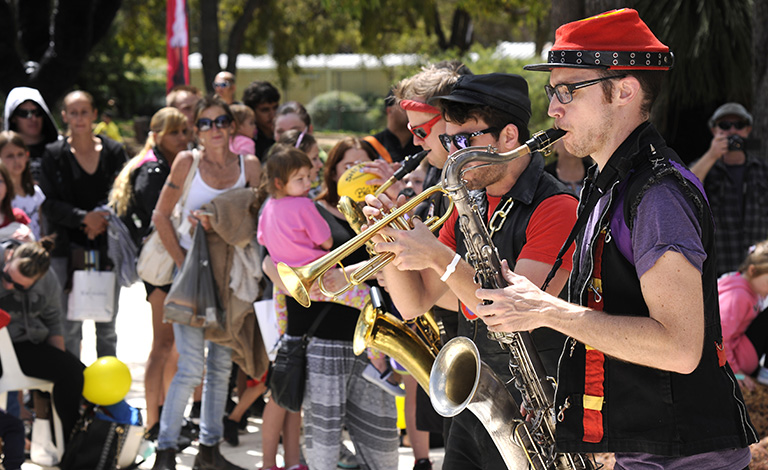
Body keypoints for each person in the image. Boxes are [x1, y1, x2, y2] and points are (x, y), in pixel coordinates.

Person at [472, 8, 757, 468]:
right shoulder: (609, 183)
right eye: (551, 91)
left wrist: (548, 310)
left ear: (624, 90)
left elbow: (681, 348)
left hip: (681, 457)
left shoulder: (659, 194)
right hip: (642, 452)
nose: (551, 109)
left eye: (567, 90)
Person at [363, 73, 578, 470]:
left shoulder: (557, 207)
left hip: (533, 414)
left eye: (465, 141)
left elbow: (511, 313)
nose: (454, 155)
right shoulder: (466, 202)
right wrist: (386, 241)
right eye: (448, 141)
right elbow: (414, 303)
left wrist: (437, 257)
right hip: (474, 406)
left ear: (509, 137)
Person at [262, 137, 401, 470]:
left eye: (362, 164)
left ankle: (381, 367)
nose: (354, 171)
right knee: (323, 450)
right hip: (322, 341)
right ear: (332, 171)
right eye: (347, 165)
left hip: (372, 340)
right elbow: (269, 262)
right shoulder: (310, 207)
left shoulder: (386, 211)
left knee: (382, 450)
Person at [151, 96, 260, 470]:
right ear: (196, 130)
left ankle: (209, 452)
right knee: (191, 366)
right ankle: (165, 451)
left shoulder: (250, 165)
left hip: (232, 279)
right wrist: (183, 266)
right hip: (193, 277)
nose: (214, 128)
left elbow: (258, 219)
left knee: (221, 367)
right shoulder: (187, 163)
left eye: (221, 121)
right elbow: (160, 216)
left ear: (231, 126)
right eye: (206, 123)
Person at [108, 107, 189, 440]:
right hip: (162, 267)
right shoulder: (154, 171)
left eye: (185, 131)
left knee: (170, 345)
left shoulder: (159, 166)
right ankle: (155, 421)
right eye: (175, 132)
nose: (182, 138)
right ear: (156, 135)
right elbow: (163, 220)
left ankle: (162, 417)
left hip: (166, 265)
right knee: (163, 345)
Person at [39, 90, 128, 359]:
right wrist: (82, 218)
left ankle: (107, 398)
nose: (79, 118)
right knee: (69, 328)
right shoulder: (53, 154)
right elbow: (49, 203)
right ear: (64, 116)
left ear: (94, 115)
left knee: (107, 327)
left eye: (84, 112)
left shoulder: (114, 151)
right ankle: (74, 394)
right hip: (66, 253)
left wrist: (99, 219)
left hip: (107, 247)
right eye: (73, 113)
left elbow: (124, 193)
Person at [0, 238, 85, 446]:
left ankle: (68, 447)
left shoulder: (47, 279)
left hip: (28, 344)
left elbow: (53, 320)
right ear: (9, 257)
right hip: (2, 345)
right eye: (7, 277)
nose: (10, 286)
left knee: (75, 374)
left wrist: (59, 359)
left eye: (20, 287)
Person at [690, 103, 768, 276]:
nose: (732, 131)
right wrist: (712, 155)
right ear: (713, 131)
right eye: (725, 126)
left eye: (739, 126)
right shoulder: (705, 168)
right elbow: (683, 189)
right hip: (718, 270)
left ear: (748, 130)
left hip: (759, 273)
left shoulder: (763, 169)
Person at [719, 240, 768, 391]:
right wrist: (735, 372)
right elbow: (721, 336)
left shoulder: (743, 287)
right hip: (733, 362)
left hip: (733, 357)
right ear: (753, 270)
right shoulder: (738, 296)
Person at [2, 87, 60, 182]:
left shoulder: (60, 150)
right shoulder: (2, 151)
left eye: (37, 112)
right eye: (25, 113)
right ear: (13, 118)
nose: (33, 118)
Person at [0, 131, 46, 239]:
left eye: (20, 154)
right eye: (10, 156)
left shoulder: (36, 192)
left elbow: (42, 229)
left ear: (27, 155)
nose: (17, 161)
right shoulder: (2, 195)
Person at [362, 91, 421, 163]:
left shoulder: (422, 144)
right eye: (404, 105)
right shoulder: (369, 146)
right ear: (389, 111)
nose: (410, 110)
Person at [241, 80, 280, 160]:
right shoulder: (246, 141)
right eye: (265, 110)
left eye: (275, 108)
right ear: (252, 112)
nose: (272, 115)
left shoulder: (285, 133)